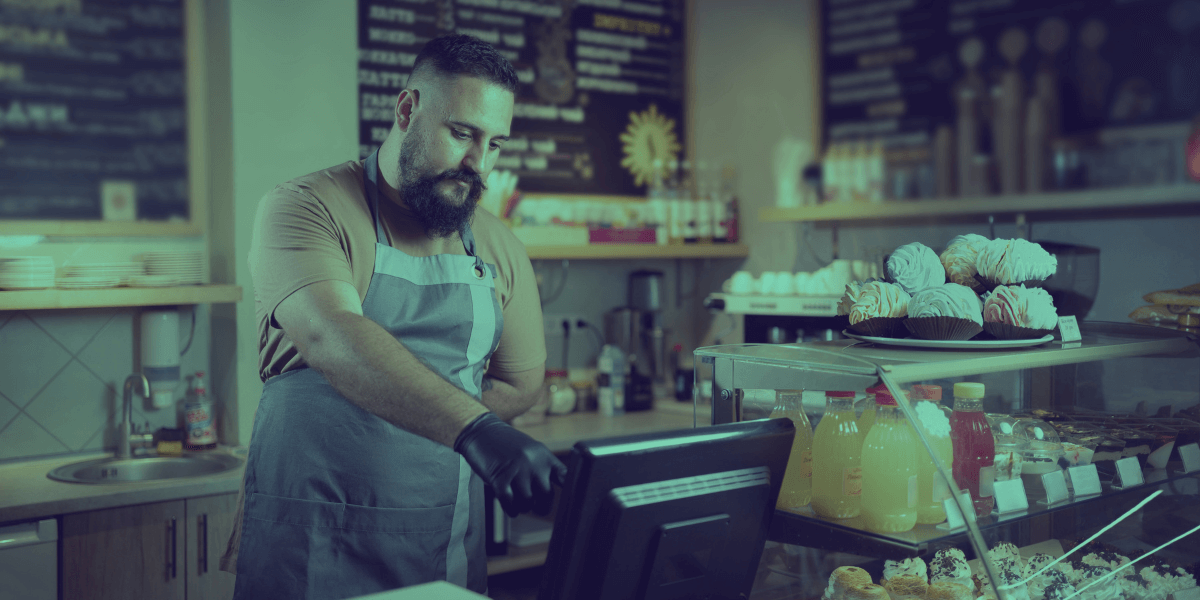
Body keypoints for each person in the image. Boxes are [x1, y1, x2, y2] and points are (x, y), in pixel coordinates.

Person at [220, 35, 563, 599]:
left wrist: (411, 421)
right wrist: (473, 429)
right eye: (462, 134)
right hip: (311, 534)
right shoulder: (306, 206)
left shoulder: (499, 246)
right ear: (407, 109)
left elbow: (520, 381)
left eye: (495, 144)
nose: (478, 163)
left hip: (441, 536)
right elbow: (332, 333)